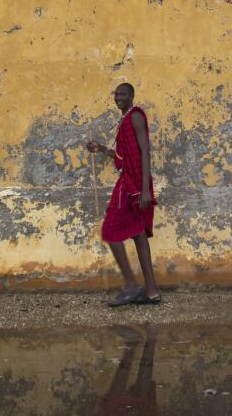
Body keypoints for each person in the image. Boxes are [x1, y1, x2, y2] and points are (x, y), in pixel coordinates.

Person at [86, 82, 161, 307]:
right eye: (116, 94)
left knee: (110, 230)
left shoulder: (135, 116)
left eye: (123, 94)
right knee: (137, 233)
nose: (119, 97)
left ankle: (130, 285)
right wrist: (101, 148)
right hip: (132, 181)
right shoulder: (125, 120)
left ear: (131, 96)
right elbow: (123, 156)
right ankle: (151, 291)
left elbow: (144, 151)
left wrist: (145, 189)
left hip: (134, 184)